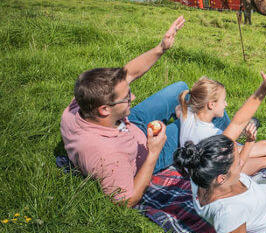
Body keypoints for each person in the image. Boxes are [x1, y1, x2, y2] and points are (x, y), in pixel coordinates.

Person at [61, 16, 186, 207]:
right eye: (127, 97)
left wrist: (160, 48)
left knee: (181, 88)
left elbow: (128, 73)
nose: (133, 97)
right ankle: (232, 145)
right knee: (199, 116)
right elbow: (126, 201)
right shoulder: (108, 155)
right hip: (143, 152)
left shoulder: (79, 103)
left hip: (125, 124)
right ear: (104, 109)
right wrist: (153, 152)